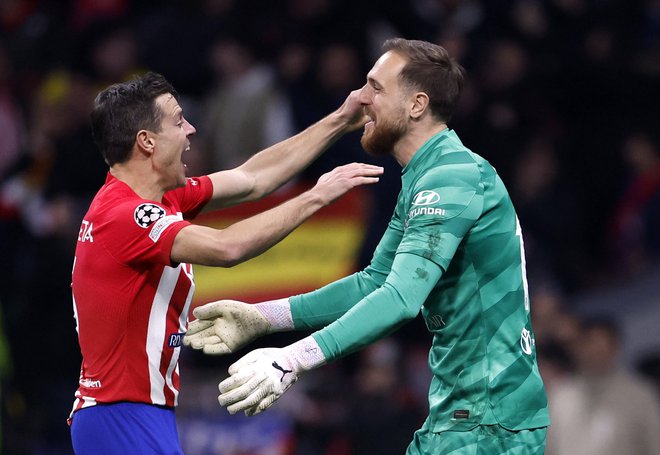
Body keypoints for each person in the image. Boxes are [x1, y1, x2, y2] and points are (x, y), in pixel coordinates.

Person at [185, 38, 550, 454]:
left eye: (375, 87)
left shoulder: (452, 176)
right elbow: (374, 283)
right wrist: (263, 317)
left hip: (489, 419)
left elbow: (400, 299)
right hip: (462, 413)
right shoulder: (424, 176)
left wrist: (292, 360)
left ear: (416, 105)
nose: (359, 98)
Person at [68, 71, 383, 454]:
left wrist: (340, 120)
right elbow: (227, 247)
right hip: (119, 416)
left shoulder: (160, 200)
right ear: (146, 142)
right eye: (178, 120)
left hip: (136, 413)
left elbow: (253, 178)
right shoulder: (127, 216)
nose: (191, 130)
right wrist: (316, 197)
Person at [546, 316, 660, 455]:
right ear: (577, 347)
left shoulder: (639, 395)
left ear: (615, 347)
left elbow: (654, 444)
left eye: (601, 346)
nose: (595, 352)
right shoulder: (559, 395)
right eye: (589, 344)